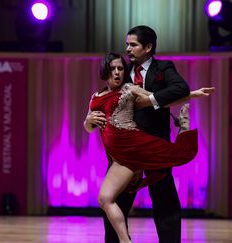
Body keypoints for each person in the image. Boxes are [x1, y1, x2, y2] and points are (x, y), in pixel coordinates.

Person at [84, 51, 214, 243]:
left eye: (121, 68)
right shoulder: (95, 97)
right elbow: (89, 128)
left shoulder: (129, 89)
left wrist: (192, 95)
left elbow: (160, 100)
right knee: (105, 199)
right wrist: (88, 121)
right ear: (105, 71)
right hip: (117, 157)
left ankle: (184, 127)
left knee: (179, 156)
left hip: (134, 148)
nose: (118, 72)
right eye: (113, 68)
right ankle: (124, 240)